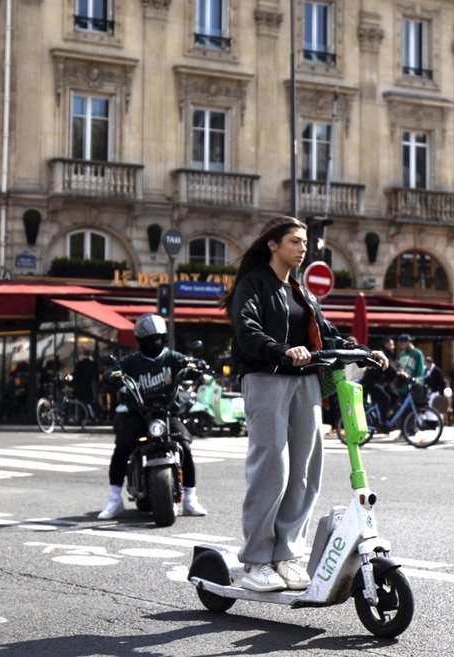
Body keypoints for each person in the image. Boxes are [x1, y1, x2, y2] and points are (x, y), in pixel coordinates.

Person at [223, 216, 388, 593]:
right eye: (295, 241)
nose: (303, 248)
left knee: (306, 469)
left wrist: (364, 351)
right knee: (272, 468)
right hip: (266, 379)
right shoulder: (254, 284)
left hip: (305, 383)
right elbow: (247, 330)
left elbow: (327, 335)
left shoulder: (302, 292)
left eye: (304, 242)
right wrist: (281, 350)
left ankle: (286, 554)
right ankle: (257, 559)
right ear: (273, 244)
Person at [96, 314, 207, 520]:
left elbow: (191, 364)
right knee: (122, 448)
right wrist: (110, 374)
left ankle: (190, 499)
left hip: (167, 413)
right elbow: (111, 372)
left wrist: (197, 365)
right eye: (147, 339)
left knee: (185, 445)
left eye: (156, 338)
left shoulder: (173, 358)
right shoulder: (131, 362)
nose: (152, 343)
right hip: (139, 414)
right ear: (139, 341)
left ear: (163, 338)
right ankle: (114, 499)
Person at [72, 349, 100, 424]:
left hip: (80, 388)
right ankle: (91, 417)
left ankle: (82, 418)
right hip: (89, 388)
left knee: (81, 404)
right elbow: (96, 378)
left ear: (83, 354)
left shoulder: (80, 364)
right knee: (88, 403)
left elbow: (76, 376)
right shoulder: (93, 364)